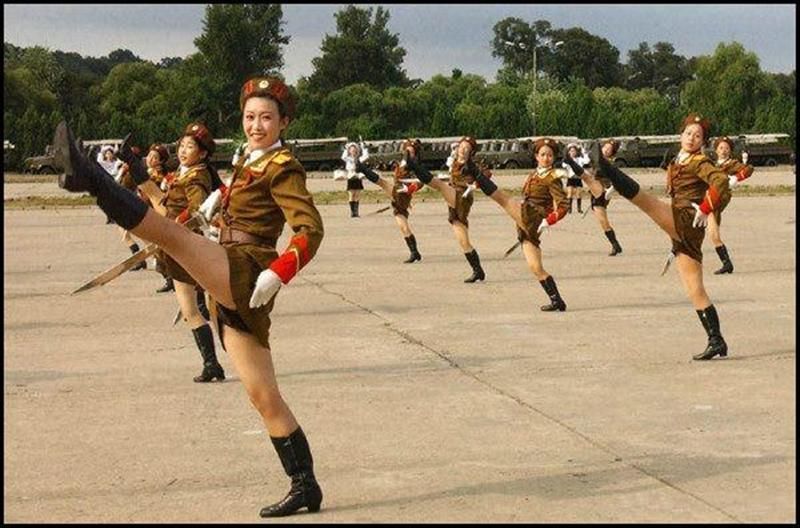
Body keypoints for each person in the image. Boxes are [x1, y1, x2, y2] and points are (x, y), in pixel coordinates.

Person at [53, 75, 325, 517]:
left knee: (170, 236)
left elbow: (310, 230)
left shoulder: (283, 166)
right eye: (250, 117)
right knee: (263, 396)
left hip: (249, 266)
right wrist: (217, 205)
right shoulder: (251, 158)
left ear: (284, 122)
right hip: (230, 265)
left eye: (266, 118)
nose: (256, 125)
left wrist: (279, 273)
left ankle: (92, 178)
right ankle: (306, 486)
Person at [564, 114, 731, 360]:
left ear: (703, 141)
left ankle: (607, 168)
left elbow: (721, 181)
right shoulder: (680, 159)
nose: (691, 138)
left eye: (698, 136)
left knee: (646, 202)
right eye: (688, 133)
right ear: (681, 135)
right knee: (695, 289)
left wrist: (706, 207)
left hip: (687, 218)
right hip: (682, 226)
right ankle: (716, 341)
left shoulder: (700, 162)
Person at [437, 137, 569, 311]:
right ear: (536, 156)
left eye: (550, 155)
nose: (546, 158)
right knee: (535, 267)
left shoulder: (553, 178)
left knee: (502, 199)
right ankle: (557, 300)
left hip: (533, 216)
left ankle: (472, 172)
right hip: (527, 218)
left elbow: (563, 206)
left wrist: (549, 220)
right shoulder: (536, 174)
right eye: (543, 154)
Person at [408, 136, 487, 282]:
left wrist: (475, 185)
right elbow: (449, 178)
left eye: (467, 148)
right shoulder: (455, 162)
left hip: (462, 196)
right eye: (461, 147)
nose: (463, 150)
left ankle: (416, 167)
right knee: (463, 240)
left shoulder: (471, 165)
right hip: (453, 195)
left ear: (471, 152)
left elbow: (486, 174)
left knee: (439, 186)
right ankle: (478, 271)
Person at [356, 139, 425, 263]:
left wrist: (410, 189)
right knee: (403, 227)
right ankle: (415, 252)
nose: (407, 154)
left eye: (410, 152)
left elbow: (421, 181)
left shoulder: (415, 165)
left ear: (415, 154)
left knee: (381, 182)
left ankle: (362, 169)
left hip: (402, 194)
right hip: (397, 192)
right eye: (406, 151)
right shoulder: (402, 162)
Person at [706, 136, 754, 274]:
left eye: (727, 148)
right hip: (708, 195)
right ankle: (727, 263)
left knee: (710, 221)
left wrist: (736, 178)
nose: (724, 150)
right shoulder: (712, 164)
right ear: (716, 150)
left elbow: (749, 169)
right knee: (712, 232)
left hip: (721, 196)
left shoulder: (732, 164)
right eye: (721, 148)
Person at [568, 139, 624, 256]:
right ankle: (615, 244)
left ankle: (615, 245)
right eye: (605, 148)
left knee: (602, 219)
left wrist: (610, 190)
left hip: (602, 192)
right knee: (602, 220)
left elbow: (616, 180)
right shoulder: (597, 160)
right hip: (596, 193)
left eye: (609, 150)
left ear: (612, 153)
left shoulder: (609, 164)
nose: (606, 150)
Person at [333, 140, 369, 218]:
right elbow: (343, 157)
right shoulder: (348, 159)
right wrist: (346, 148)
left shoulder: (359, 159)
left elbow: (366, 156)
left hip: (358, 177)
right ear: (349, 151)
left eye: (354, 150)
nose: (353, 151)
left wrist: (363, 147)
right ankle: (352, 212)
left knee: (357, 194)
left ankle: (356, 212)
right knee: (351, 194)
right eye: (351, 150)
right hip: (351, 177)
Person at [563, 142, 584, 214]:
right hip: (571, 178)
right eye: (571, 151)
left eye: (574, 151)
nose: (573, 152)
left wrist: (582, 149)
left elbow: (586, 160)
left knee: (579, 194)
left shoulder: (580, 159)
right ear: (569, 152)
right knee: (570, 194)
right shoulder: (567, 160)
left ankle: (579, 208)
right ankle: (569, 208)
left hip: (578, 178)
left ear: (576, 152)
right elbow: (564, 165)